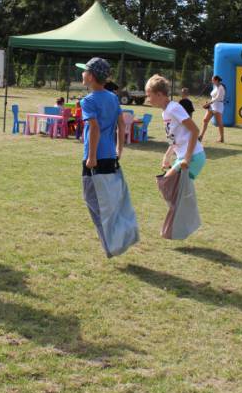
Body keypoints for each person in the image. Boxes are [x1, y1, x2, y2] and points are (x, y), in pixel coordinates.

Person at [77, 57, 138, 256]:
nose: (82, 74)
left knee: (94, 201)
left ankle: (113, 244)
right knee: (110, 200)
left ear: (91, 76)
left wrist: (91, 157)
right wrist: (119, 149)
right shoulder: (112, 97)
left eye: (84, 71)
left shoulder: (88, 101)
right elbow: (121, 124)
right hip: (111, 156)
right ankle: (118, 238)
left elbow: (94, 128)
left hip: (95, 159)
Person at [145, 75, 206, 180]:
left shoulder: (174, 108)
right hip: (184, 157)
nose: (148, 100)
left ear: (159, 94)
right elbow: (173, 138)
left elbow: (195, 130)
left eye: (149, 96)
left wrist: (187, 158)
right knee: (171, 186)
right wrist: (167, 156)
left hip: (193, 156)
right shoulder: (165, 112)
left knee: (167, 183)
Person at [199, 75, 226, 143]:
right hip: (212, 106)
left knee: (219, 123)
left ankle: (222, 138)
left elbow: (217, 98)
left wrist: (208, 103)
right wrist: (208, 103)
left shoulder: (221, 87)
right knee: (205, 120)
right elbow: (213, 97)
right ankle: (201, 136)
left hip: (218, 106)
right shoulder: (215, 87)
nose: (212, 81)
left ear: (216, 80)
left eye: (212, 80)